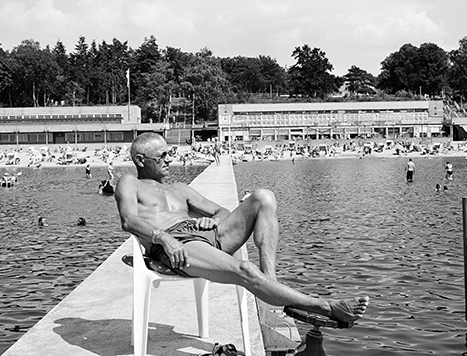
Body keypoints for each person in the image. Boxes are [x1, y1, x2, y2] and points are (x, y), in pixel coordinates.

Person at [115, 132, 369, 328]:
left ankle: (271, 281)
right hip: (178, 245)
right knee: (246, 269)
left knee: (263, 197)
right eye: (162, 157)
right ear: (140, 160)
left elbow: (222, 212)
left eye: (170, 153)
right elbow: (128, 220)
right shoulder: (130, 183)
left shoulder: (180, 188)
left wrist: (212, 220)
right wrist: (164, 237)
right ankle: (325, 306)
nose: (170, 160)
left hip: (206, 236)